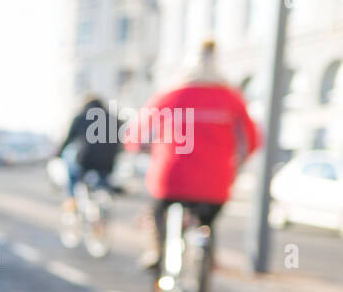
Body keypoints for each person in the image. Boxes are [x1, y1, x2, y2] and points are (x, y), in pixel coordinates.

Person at [122, 40, 260, 273]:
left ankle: (157, 251)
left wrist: (140, 148)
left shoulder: (170, 95)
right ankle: (207, 260)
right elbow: (253, 140)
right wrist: (235, 165)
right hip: (215, 183)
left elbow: (134, 135)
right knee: (207, 222)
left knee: (159, 211)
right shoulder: (231, 98)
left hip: (171, 179)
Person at [58, 95, 120, 212]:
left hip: (85, 161)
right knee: (103, 183)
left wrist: (58, 154)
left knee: (72, 174)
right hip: (107, 163)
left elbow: (68, 140)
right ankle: (104, 197)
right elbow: (119, 143)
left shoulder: (80, 117)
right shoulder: (113, 119)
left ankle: (71, 200)